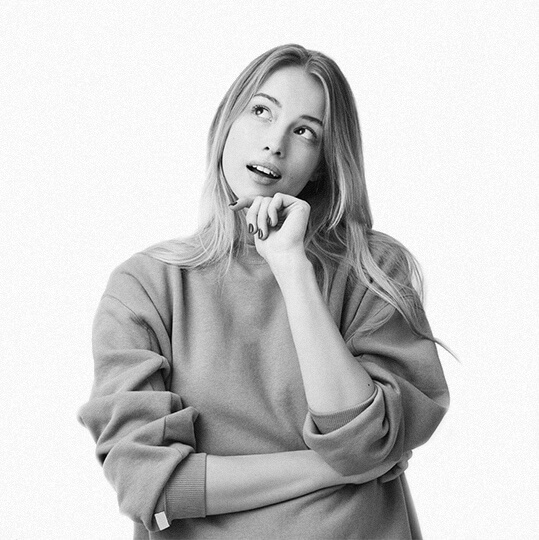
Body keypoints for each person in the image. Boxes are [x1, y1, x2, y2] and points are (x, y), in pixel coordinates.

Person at [78, 43, 449, 539]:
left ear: (323, 162)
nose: (275, 143)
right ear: (226, 123)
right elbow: (154, 489)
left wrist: (292, 267)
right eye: (261, 111)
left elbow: (363, 443)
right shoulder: (146, 286)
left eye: (305, 131)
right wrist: (332, 469)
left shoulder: (373, 270)